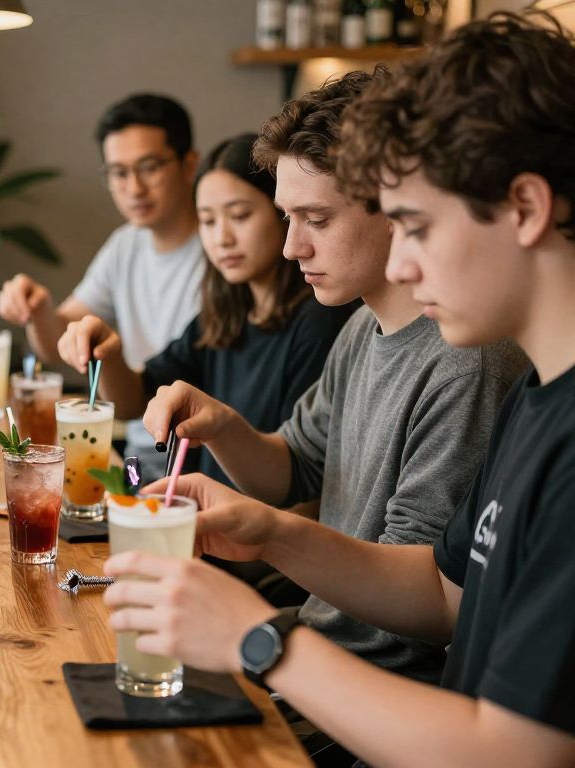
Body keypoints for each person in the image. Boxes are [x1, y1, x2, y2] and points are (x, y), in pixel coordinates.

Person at [105, 14, 575, 766]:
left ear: (524, 207)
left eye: (415, 226)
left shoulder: (506, 385)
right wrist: (269, 530)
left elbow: (516, 753)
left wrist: (260, 637)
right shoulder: (538, 397)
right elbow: (443, 593)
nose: (405, 265)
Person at [137, 69, 527, 682]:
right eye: (287, 218)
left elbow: (418, 597)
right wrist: (224, 429)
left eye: (315, 220)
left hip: (369, 686)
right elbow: (293, 468)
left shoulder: (465, 363)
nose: (293, 248)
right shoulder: (358, 326)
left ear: (394, 210)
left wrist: (268, 535)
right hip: (313, 644)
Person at [56, 133, 355, 488]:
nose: (222, 238)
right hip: (181, 507)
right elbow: (131, 402)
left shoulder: (317, 323)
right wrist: (108, 352)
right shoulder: (224, 315)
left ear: (282, 214)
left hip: (235, 532)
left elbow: (301, 487)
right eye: (208, 222)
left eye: (239, 215)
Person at [0, 94, 206, 479]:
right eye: (118, 173)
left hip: (195, 459)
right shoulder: (125, 244)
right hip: (138, 456)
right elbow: (60, 343)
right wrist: (38, 308)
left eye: (149, 167)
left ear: (188, 164)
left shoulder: (222, 251)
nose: (134, 188)